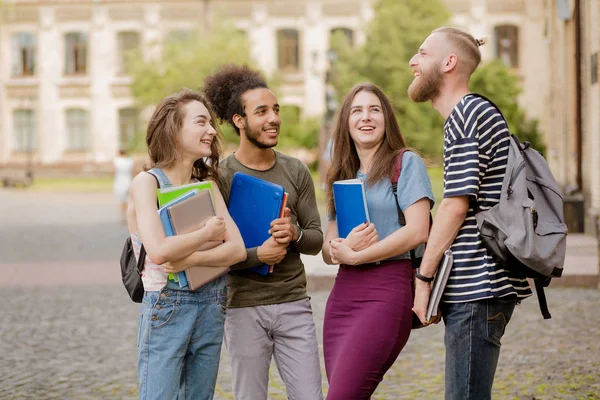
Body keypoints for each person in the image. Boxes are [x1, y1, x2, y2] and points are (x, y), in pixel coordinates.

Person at [408, 27, 532, 400]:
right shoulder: (469, 114)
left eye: (422, 53)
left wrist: (424, 279)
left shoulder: (466, 113)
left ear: (449, 63)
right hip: (480, 288)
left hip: (479, 289)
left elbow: (455, 205)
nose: (412, 62)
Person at [203, 65, 324, 400]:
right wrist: (259, 255)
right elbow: (209, 257)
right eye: (262, 112)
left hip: (294, 304)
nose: (273, 118)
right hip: (242, 308)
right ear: (239, 120)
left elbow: (316, 239)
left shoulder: (295, 170)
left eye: (276, 110)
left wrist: (294, 233)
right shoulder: (221, 177)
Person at [127, 89, 246, 400]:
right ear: (174, 129)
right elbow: (159, 250)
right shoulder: (147, 183)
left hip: (211, 304)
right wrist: (206, 234)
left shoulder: (207, 186)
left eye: (210, 123)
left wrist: (189, 260)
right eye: (201, 122)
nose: (211, 131)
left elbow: (237, 250)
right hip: (167, 306)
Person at [321, 83, 434, 399]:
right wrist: (340, 249)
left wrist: (360, 256)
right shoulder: (342, 173)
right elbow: (329, 246)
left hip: (387, 292)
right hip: (343, 296)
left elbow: (418, 231)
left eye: (374, 109)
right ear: (346, 121)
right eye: (356, 110)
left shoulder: (406, 163)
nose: (365, 117)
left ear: (387, 119)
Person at [113, 148, 134, 224]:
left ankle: (123, 217)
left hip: (119, 182)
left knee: (122, 201)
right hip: (128, 181)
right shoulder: (130, 161)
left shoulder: (116, 161)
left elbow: (113, 171)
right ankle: (129, 217)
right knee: (128, 200)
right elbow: (133, 171)